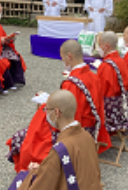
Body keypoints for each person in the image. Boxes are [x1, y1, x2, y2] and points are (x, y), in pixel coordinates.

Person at [0, 90, 105, 190]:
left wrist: (34, 175)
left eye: (46, 109)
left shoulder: (61, 148)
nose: (45, 113)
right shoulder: (86, 136)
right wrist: (43, 168)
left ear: (56, 112)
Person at [7, 40, 110, 173]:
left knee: (26, 136)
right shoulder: (93, 76)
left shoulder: (71, 83)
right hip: (92, 127)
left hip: (74, 129)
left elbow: (65, 115)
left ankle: (33, 169)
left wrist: (47, 104)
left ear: (69, 56)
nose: (63, 61)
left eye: (62, 58)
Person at [96, 31, 128, 134]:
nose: (98, 47)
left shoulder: (106, 66)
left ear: (106, 46)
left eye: (99, 44)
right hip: (124, 109)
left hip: (110, 114)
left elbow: (99, 92)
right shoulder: (121, 60)